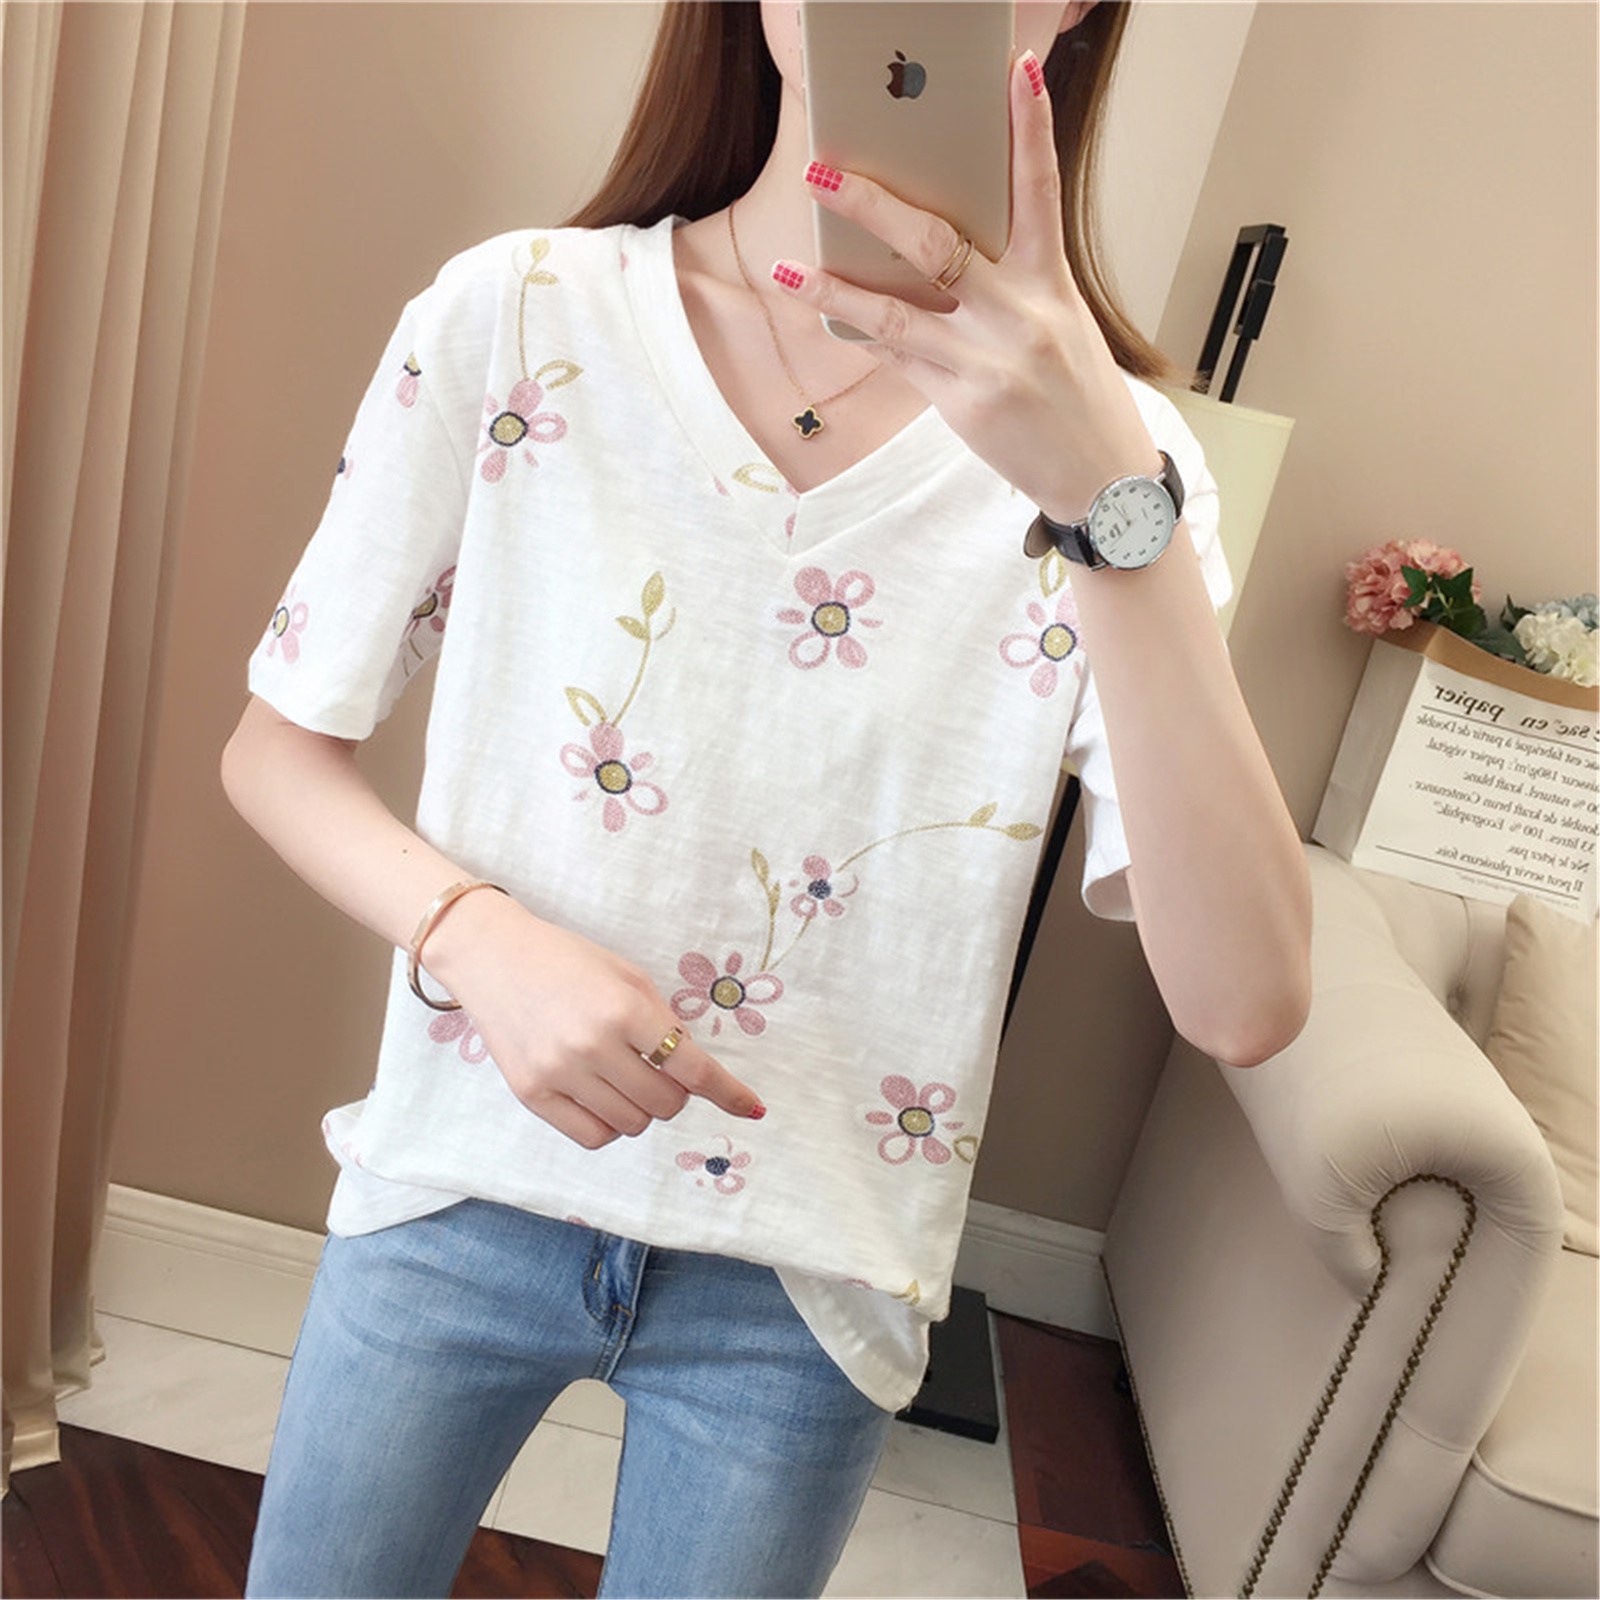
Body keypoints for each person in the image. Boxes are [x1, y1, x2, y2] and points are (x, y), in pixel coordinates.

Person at [224, 2, 1312, 1595]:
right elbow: (276, 747)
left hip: (810, 1279)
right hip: (461, 1179)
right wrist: (477, 938)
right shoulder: (513, 315)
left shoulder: (1132, 466)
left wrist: (1105, 496)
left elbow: (1249, 1001)